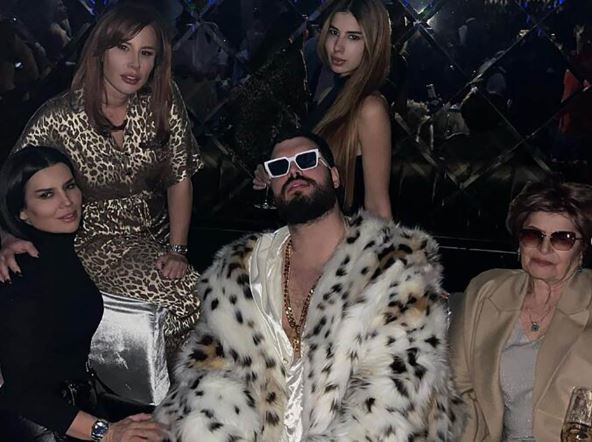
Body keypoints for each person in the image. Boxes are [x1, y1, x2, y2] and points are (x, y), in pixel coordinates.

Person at [155, 130, 462, 441]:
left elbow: (394, 398)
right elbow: (209, 373)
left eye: (306, 160)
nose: (293, 172)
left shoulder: (393, 267)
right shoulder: (243, 273)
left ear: (335, 176)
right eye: (279, 167)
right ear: (271, 186)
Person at [0, 2, 202, 352]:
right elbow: (10, 182)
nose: (134, 64)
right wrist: (5, 237)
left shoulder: (163, 101)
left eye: (146, 53)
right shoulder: (60, 117)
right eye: (123, 48)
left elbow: (179, 177)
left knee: (205, 298)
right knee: (190, 298)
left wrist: (178, 249)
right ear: (100, 52)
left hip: (156, 238)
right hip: (94, 244)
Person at [0, 146, 165, 442]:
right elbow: (20, 392)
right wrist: (107, 432)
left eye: (69, 186)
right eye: (47, 195)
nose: (67, 202)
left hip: (79, 404)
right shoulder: (21, 274)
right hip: (42, 425)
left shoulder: (56, 249)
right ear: (22, 212)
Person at [449, 181, 592, 441]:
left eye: (562, 238)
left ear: (582, 248)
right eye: (533, 235)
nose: (544, 249)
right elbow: (459, 392)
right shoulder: (485, 292)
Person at [254, 0, 392, 219]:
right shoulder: (330, 91)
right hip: (312, 228)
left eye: (353, 37)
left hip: (345, 234)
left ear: (373, 44)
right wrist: (277, 169)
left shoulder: (370, 108)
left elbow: (377, 205)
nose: (338, 46)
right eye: (334, 33)